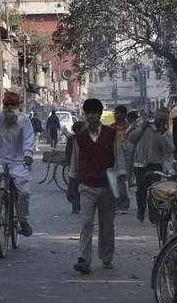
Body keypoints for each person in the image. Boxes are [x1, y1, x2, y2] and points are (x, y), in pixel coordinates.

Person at [67, 99, 127, 274]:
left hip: (108, 186)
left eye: (94, 112)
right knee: (86, 222)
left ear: (100, 114)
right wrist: (70, 187)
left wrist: (122, 186)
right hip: (87, 186)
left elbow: (119, 160)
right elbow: (74, 165)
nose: (90, 116)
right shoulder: (80, 138)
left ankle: (106, 257)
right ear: (84, 115)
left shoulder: (111, 134)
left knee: (106, 224)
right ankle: (84, 259)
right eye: (87, 113)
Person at [0, 92, 34, 237]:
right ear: (3, 105)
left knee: (24, 192)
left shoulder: (24, 119)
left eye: (12, 105)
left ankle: (23, 221)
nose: (9, 108)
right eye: (7, 105)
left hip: (19, 161)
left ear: (18, 106)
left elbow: (29, 138)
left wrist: (28, 155)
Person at [126, 107, 174, 224]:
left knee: (154, 193)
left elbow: (170, 149)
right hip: (140, 165)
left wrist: (163, 135)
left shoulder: (166, 132)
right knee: (141, 192)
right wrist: (141, 129)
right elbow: (131, 138)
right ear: (156, 118)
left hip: (156, 165)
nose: (161, 122)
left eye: (164, 120)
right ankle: (141, 210)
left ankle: (154, 219)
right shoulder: (144, 126)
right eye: (160, 119)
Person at [109, 105, 132, 214]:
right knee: (115, 180)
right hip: (114, 154)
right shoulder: (112, 127)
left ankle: (124, 205)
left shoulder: (130, 127)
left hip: (128, 154)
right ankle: (116, 203)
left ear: (124, 114)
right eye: (115, 113)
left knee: (126, 180)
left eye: (117, 113)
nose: (115, 115)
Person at [65, 121, 86, 214]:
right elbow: (69, 154)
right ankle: (76, 205)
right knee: (75, 187)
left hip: (85, 166)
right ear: (78, 129)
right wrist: (71, 165)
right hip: (77, 166)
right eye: (83, 128)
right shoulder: (73, 139)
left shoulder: (86, 138)